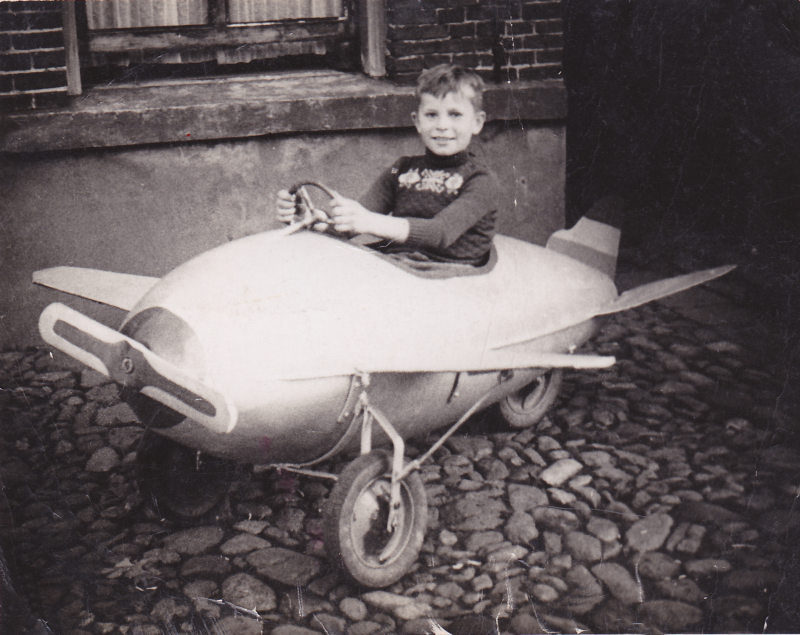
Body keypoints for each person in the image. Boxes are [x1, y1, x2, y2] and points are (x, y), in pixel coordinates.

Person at [276, 64, 500, 268]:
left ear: (477, 122)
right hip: (401, 265)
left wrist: (368, 221)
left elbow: (438, 233)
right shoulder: (401, 169)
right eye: (431, 115)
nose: (442, 125)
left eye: (455, 115)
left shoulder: (481, 180)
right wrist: (314, 219)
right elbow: (359, 218)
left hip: (446, 273)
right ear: (417, 122)